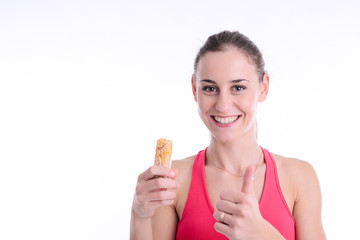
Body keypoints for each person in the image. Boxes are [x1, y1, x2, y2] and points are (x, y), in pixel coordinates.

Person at [130, 31, 326, 240]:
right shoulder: (172, 180)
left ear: (263, 87)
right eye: (210, 88)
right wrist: (139, 214)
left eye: (238, 87)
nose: (223, 105)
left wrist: (262, 235)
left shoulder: (299, 177)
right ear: (195, 89)